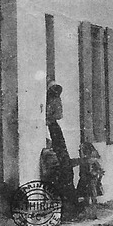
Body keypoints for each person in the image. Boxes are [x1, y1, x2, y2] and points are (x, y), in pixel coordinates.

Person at [45, 81, 79, 218]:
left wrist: (49, 118)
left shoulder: (55, 126)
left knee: (63, 166)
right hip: (51, 131)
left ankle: (69, 204)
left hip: (54, 130)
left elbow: (58, 115)